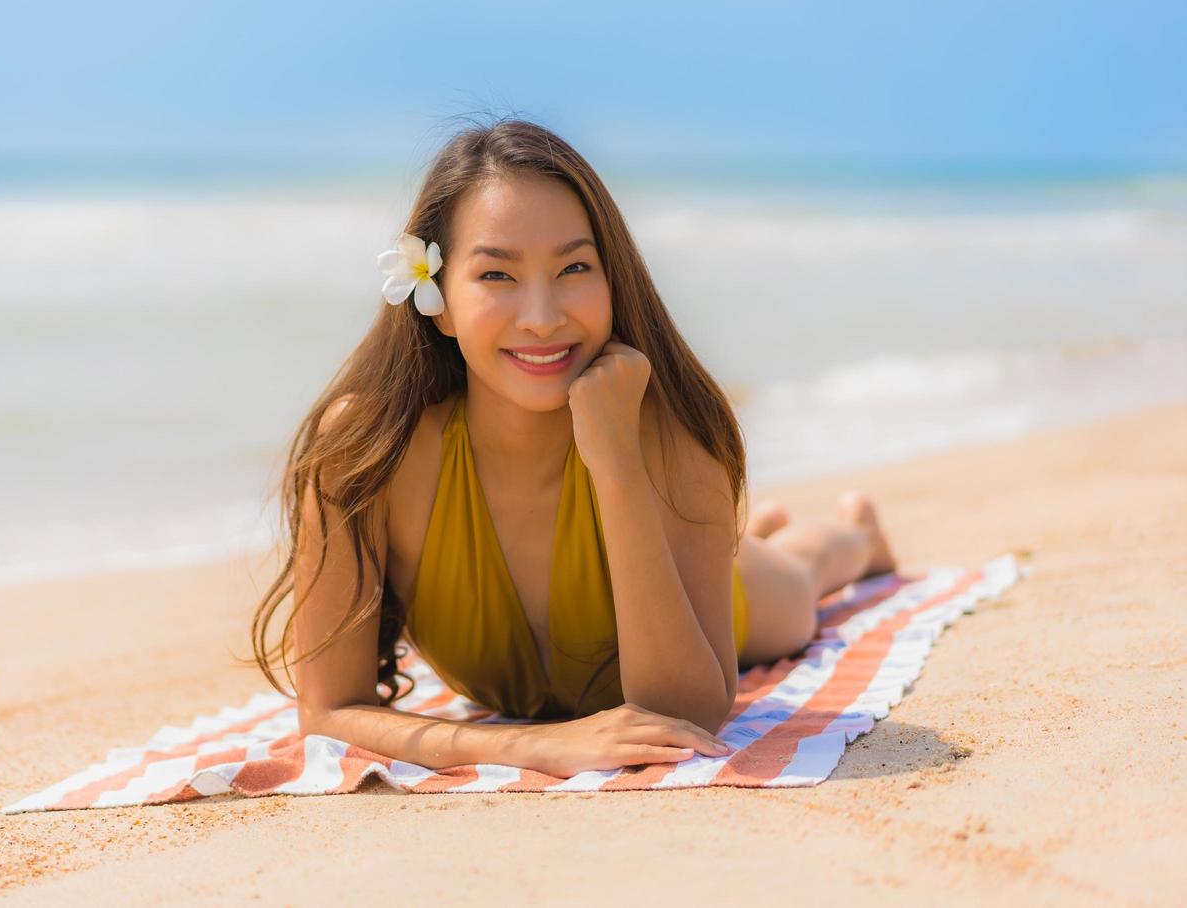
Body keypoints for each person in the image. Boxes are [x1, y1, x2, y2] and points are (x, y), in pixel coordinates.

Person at [248, 118, 898, 780]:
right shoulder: (365, 453)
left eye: (574, 267)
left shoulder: (671, 435)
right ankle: (761, 535)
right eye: (497, 274)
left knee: (796, 582)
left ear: (614, 279)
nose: (542, 315)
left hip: (720, 599)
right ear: (439, 302)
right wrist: (530, 747)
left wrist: (616, 461)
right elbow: (327, 710)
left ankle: (856, 535)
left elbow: (686, 713)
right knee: (759, 552)